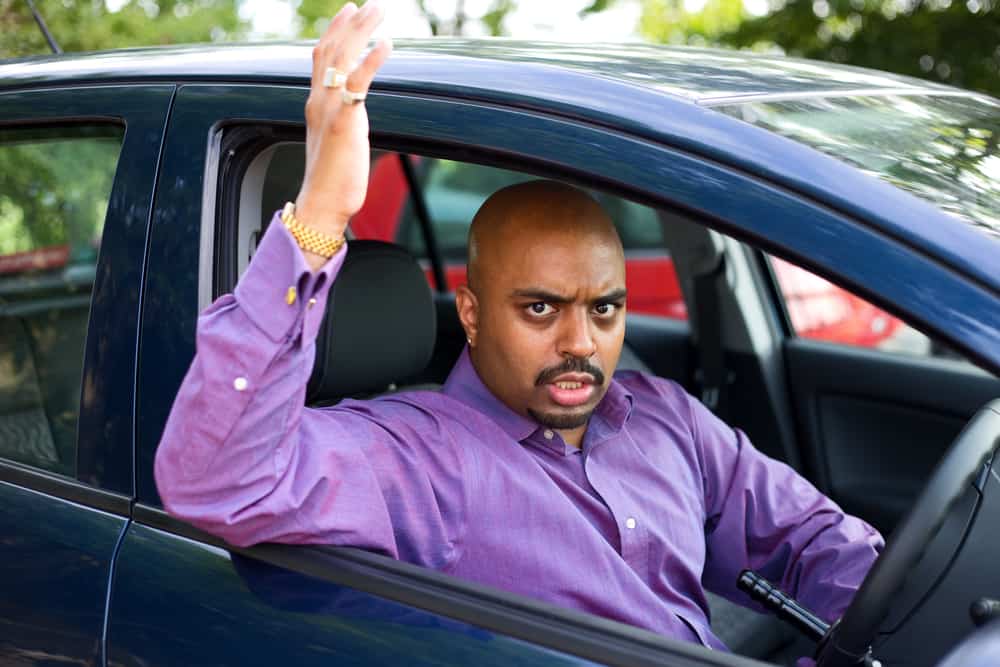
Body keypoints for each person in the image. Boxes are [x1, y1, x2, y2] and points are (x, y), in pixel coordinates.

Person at [154, 0, 883, 653]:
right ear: (469, 313)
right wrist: (318, 215)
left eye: (605, 308)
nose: (580, 343)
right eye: (540, 308)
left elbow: (811, 539)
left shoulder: (665, 417)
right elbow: (218, 481)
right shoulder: (421, 458)